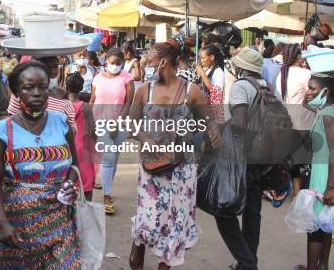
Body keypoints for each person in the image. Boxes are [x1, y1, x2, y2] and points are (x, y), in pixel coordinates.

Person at [128, 37, 221, 270]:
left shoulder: (193, 91)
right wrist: (149, 140)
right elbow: (132, 125)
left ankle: (165, 263)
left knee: (176, 217)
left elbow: (206, 121)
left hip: (183, 168)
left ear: (166, 61)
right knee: (150, 213)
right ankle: (139, 242)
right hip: (152, 165)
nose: (149, 66)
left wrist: (213, 133)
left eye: (152, 62)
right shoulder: (144, 91)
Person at [0, 61, 81, 269]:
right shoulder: (3, 131)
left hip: (59, 220)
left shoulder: (61, 123)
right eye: (29, 87)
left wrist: (69, 184)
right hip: (18, 224)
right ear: (17, 91)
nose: (37, 93)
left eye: (43, 87)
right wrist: (3, 223)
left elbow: (75, 164)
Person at [215, 48, 267, 270]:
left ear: (241, 68)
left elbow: (239, 122)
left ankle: (246, 263)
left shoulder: (240, 87)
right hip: (263, 158)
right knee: (252, 212)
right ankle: (248, 261)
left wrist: (218, 128)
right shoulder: (268, 88)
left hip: (240, 157)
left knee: (223, 209)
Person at [91, 47, 134, 215]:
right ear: (105, 61)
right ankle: (106, 195)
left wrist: (118, 122)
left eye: (118, 63)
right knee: (108, 156)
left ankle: (108, 187)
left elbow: (128, 102)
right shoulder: (97, 78)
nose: (115, 66)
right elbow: (93, 100)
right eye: (112, 63)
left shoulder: (127, 78)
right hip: (100, 122)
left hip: (120, 123)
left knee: (114, 158)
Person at [299, 74, 334, 270]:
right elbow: (306, 105)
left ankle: (315, 267)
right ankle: (323, 265)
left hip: (323, 177)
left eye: (312, 88)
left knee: (315, 229)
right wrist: (310, 95)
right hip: (323, 174)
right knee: (325, 224)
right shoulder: (324, 110)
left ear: (325, 92)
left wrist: (330, 187)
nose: (308, 92)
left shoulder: (328, 114)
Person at [276, 43, 314, 197]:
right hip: (303, 121)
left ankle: (294, 190)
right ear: (299, 56)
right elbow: (314, 94)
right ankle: (299, 192)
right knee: (303, 158)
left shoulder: (282, 74)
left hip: (286, 121)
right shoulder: (305, 74)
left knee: (292, 157)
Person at [67, 72, 97, 200]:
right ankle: (87, 213)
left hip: (67, 147)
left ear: (66, 87)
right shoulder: (85, 107)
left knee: (68, 182)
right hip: (83, 149)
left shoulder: (62, 105)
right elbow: (93, 129)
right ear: (81, 88)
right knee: (86, 183)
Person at [195, 44, 226, 123]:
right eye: (200, 58)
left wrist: (203, 75)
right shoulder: (208, 70)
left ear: (212, 57)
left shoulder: (218, 72)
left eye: (203, 58)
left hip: (214, 115)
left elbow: (216, 93)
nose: (201, 61)